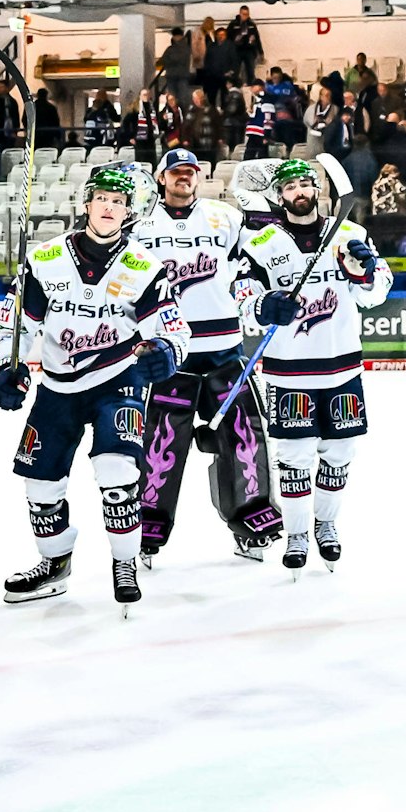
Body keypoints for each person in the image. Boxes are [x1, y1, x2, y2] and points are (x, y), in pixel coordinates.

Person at [0, 166, 188, 614]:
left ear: (129, 212)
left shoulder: (145, 266)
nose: (109, 207)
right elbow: (17, 323)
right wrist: (8, 363)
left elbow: (174, 328)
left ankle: (125, 564)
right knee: (40, 484)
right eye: (103, 198)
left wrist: (167, 351)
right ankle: (54, 563)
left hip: (118, 378)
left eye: (119, 202)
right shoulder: (45, 258)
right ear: (86, 203)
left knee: (118, 473)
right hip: (58, 385)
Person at [231, 158, 390, 577]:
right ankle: (298, 534)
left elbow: (378, 293)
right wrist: (264, 305)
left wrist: (365, 273)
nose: (299, 192)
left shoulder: (350, 234)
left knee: (339, 454)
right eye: (290, 187)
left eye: (305, 184)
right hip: (289, 371)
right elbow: (243, 304)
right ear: (278, 196)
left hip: (342, 370)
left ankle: (326, 525)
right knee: (296, 457)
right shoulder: (261, 243)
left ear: (317, 189)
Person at [131, 148, 281, 565]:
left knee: (244, 435)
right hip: (168, 354)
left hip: (224, 351)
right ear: (161, 178)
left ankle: (251, 520)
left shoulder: (225, 218)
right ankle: (149, 526)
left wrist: (263, 301)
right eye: (176, 172)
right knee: (162, 444)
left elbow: (252, 268)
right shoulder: (139, 224)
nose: (185, 177)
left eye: (191, 172)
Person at [228, 6, 262, 85]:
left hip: (249, 50)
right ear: (240, 13)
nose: (245, 16)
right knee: (235, 70)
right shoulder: (233, 24)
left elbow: (257, 38)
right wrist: (235, 40)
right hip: (237, 50)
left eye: (247, 14)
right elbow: (228, 38)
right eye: (243, 14)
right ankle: (234, 87)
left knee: (250, 70)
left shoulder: (252, 24)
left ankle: (251, 87)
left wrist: (260, 51)